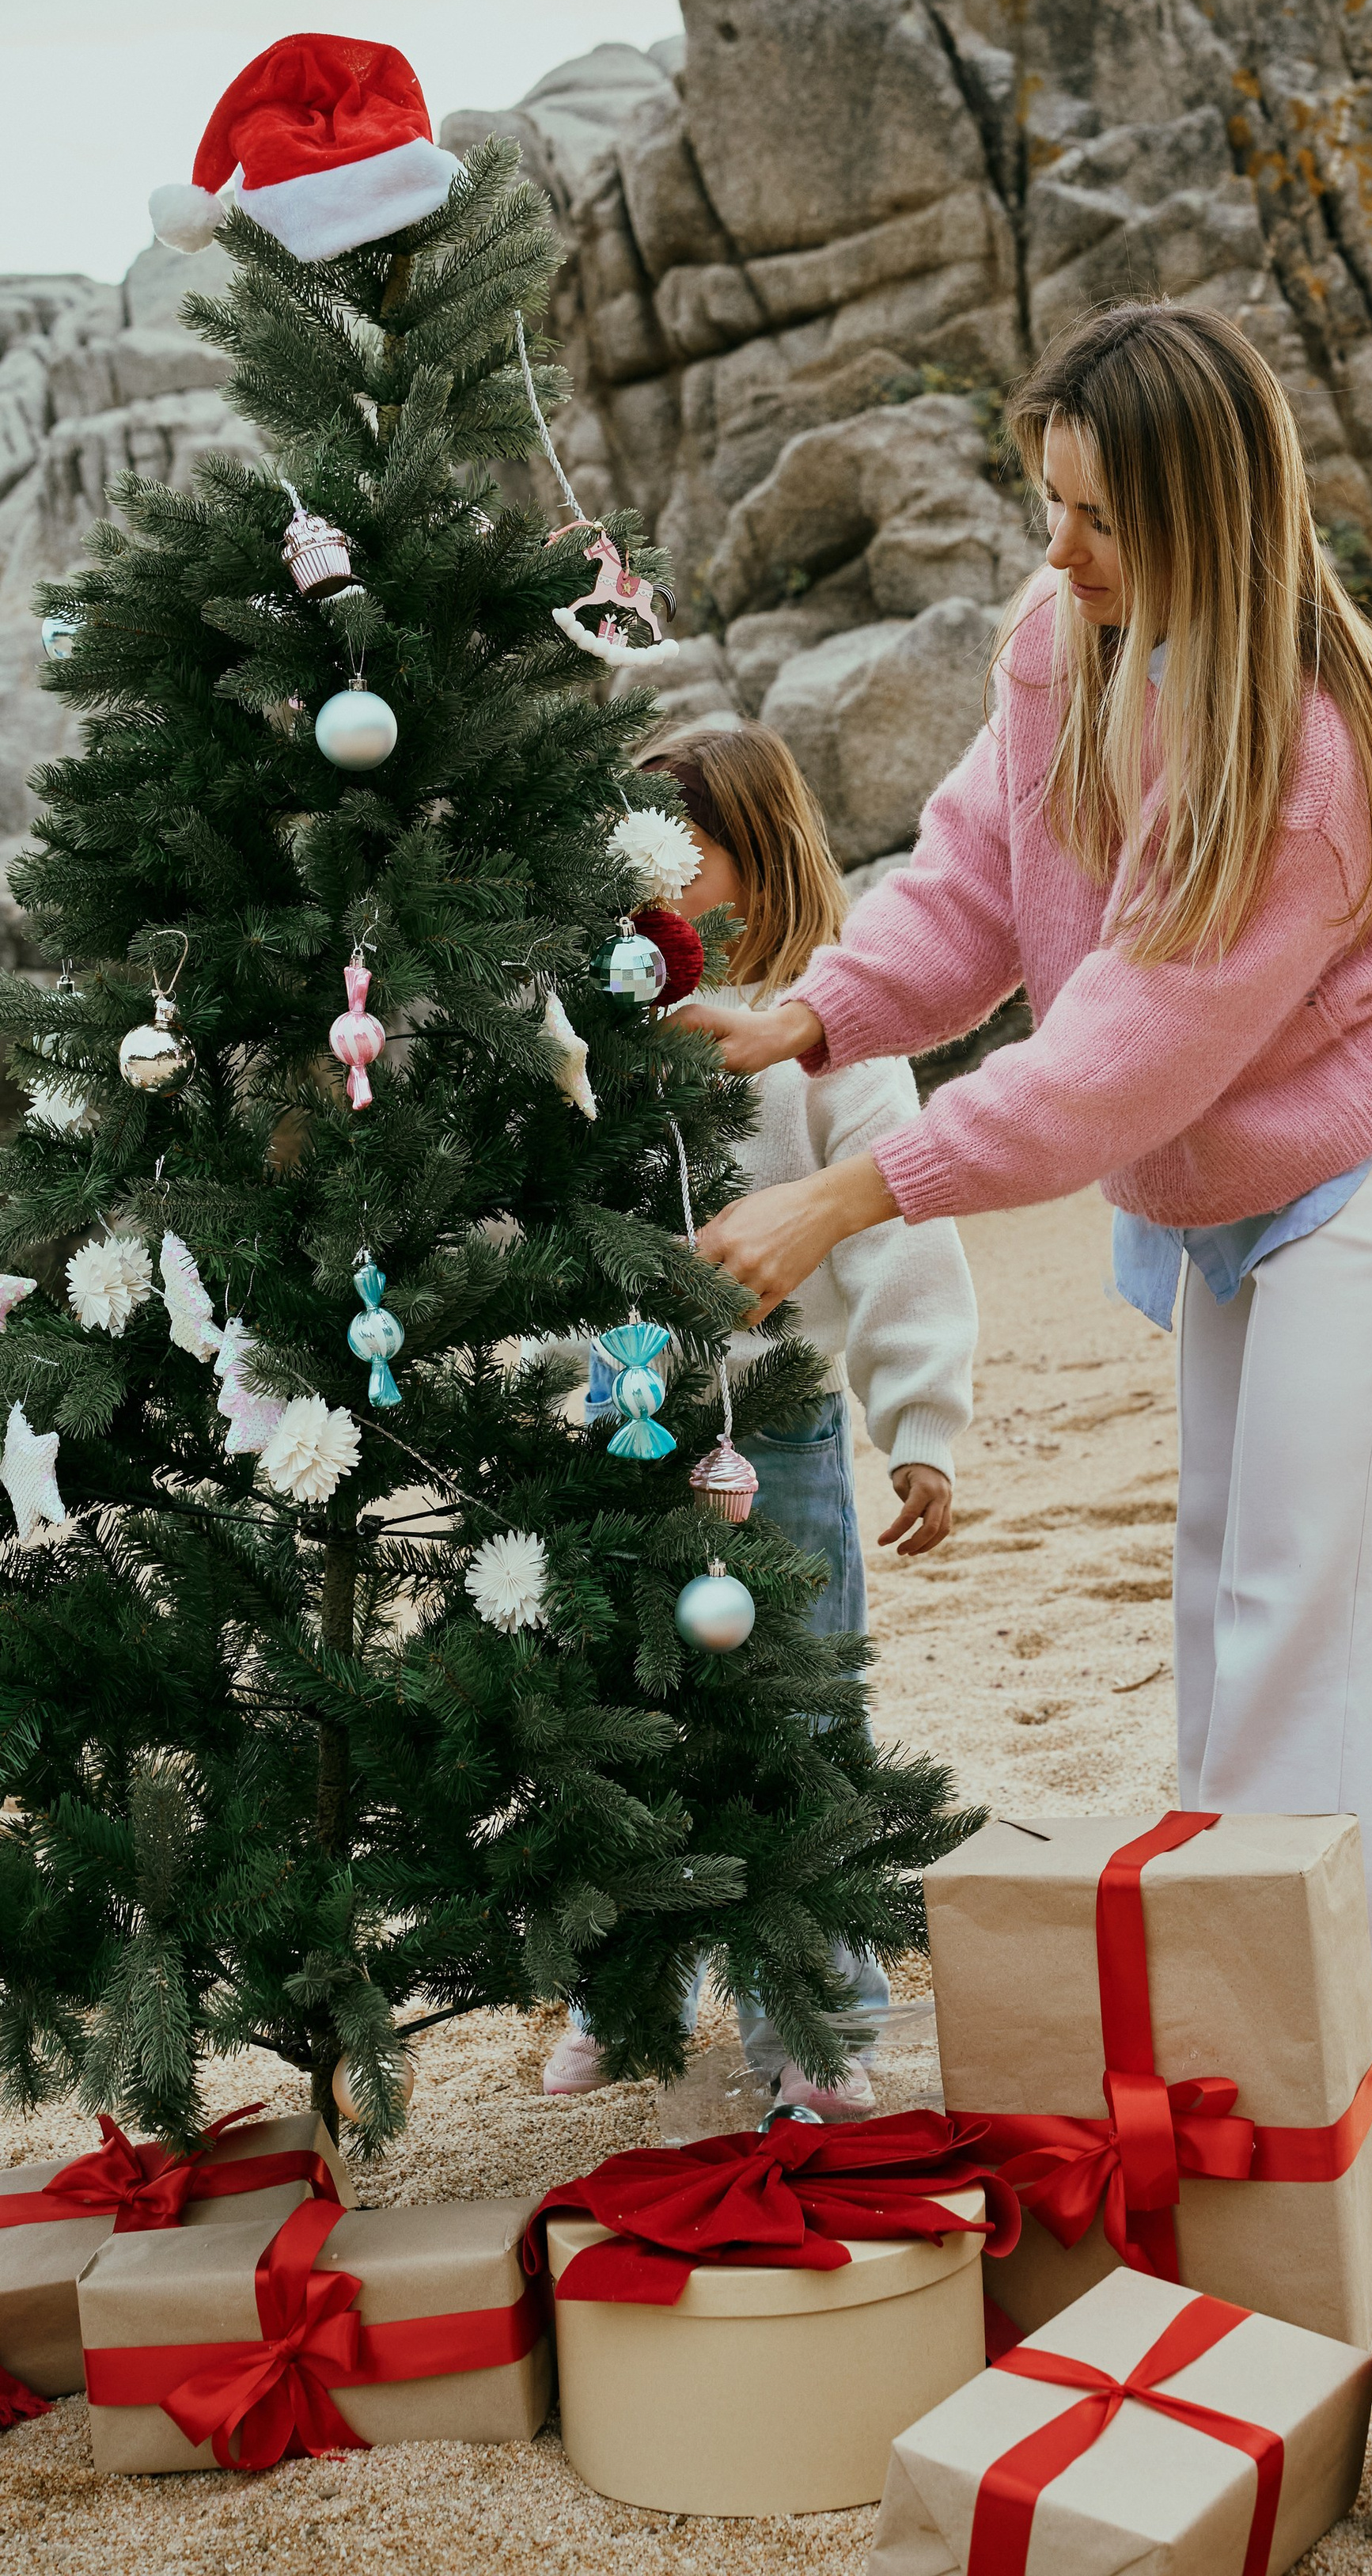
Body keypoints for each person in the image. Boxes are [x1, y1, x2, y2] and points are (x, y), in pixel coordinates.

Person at [676, 300, 1372, 2164]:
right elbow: (976, 877)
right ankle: (1235, 2054)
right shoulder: (1067, 640)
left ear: (1205, 518)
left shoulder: (1307, 751)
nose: (1053, 546)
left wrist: (846, 1184)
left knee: (1326, 1641)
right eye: (1043, 498)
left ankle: (1324, 2109)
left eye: (1095, 515)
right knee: (1227, 1621)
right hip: (1229, 1197)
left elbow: (1118, 1055)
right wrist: (812, 1013)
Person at [542, 723, 979, 2115]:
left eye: (679, 856)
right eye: (626, 858)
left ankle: (824, 2027)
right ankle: (636, 1992)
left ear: (756, 858)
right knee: (624, 1722)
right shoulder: (590, 1034)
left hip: (773, 1424)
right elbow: (549, 1227)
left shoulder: (826, 1041)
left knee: (796, 1719)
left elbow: (902, 1226)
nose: (645, 886)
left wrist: (920, 1420)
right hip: (614, 1417)